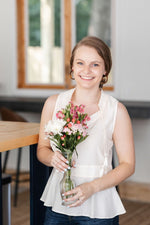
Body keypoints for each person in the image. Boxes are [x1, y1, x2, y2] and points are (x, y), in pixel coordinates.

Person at [37, 36, 135, 225]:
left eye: (95, 64)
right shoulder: (53, 104)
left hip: (99, 207)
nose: (86, 70)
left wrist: (91, 188)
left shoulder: (117, 111)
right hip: (58, 202)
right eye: (80, 63)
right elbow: (42, 149)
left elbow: (128, 164)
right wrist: (51, 158)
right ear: (72, 67)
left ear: (105, 69)